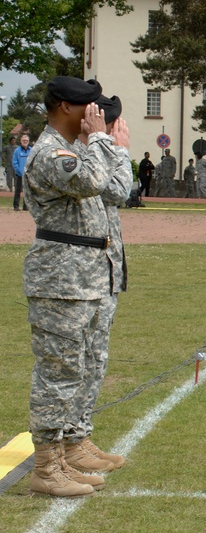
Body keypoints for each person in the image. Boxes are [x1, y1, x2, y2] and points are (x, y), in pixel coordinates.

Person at [22, 76, 120, 497]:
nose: (96, 113)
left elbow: (112, 188)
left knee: (79, 366)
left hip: (83, 274)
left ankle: (65, 453)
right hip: (60, 278)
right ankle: (46, 467)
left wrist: (95, 141)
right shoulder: (49, 153)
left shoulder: (71, 150)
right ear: (65, 107)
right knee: (58, 372)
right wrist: (100, 139)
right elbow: (93, 182)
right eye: (90, 106)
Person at [66, 94, 132, 477]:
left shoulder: (96, 152)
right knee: (79, 361)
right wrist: (117, 150)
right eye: (110, 123)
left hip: (104, 271)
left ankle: (79, 436)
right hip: (82, 275)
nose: (115, 130)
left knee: (95, 360)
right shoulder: (82, 154)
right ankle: (70, 442)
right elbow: (118, 191)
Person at [12, 133, 32, 210]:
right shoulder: (17, 151)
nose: (25, 141)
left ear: (28, 141)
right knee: (18, 191)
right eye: (23, 140)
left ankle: (25, 206)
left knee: (27, 192)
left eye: (26, 140)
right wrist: (19, 171)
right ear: (21, 141)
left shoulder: (31, 150)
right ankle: (16, 206)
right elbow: (15, 162)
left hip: (28, 174)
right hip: (19, 174)